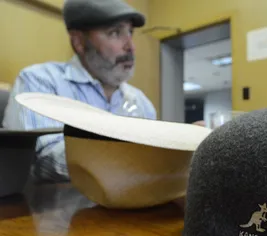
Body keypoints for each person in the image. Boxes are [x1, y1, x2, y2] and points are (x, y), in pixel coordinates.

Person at [2, 0, 157, 183]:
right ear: (79, 42)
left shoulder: (142, 102)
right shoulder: (41, 82)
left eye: (130, 32)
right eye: (115, 33)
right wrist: (137, 156)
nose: (131, 47)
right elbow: (44, 159)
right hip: (56, 209)